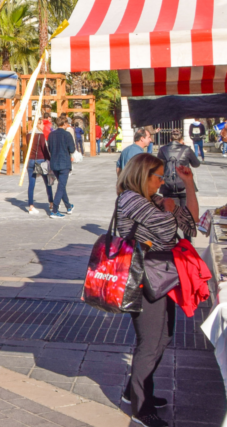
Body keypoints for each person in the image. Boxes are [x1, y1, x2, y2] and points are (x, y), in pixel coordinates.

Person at [116, 154, 197, 427]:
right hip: (142, 277)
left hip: (160, 277)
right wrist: (172, 209)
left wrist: (188, 185)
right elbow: (167, 230)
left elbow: (191, 225)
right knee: (150, 343)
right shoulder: (130, 199)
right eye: (158, 177)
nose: (162, 182)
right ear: (142, 175)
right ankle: (140, 408)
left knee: (163, 337)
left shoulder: (151, 199)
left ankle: (134, 391)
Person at [157, 129, 201, 211]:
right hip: (184, 185)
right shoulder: (186, 149)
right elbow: (196, 164)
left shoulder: (162, 150)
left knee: (171, 214)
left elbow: (158, 167)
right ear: (182, 140)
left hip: (167, 186)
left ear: (170, 140)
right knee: (187, 213)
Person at [47, 116, 76, 218]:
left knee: (61, 185)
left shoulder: (51, 135)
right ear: (64, 124)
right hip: (64, 163)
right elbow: (72, 149)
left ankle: (68, 206)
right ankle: (54, 210)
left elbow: (49, 148)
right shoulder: (67, 135)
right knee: (61, 186)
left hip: (54, 163)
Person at [24, 128, 54, 215]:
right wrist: (49, 159)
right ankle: (51, 203)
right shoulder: (40, 135)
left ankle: (31, 206)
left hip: (31, 160)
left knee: (31, 184)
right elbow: (44, 148)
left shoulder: (28, 135)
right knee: (47, 183)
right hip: (41, 160)